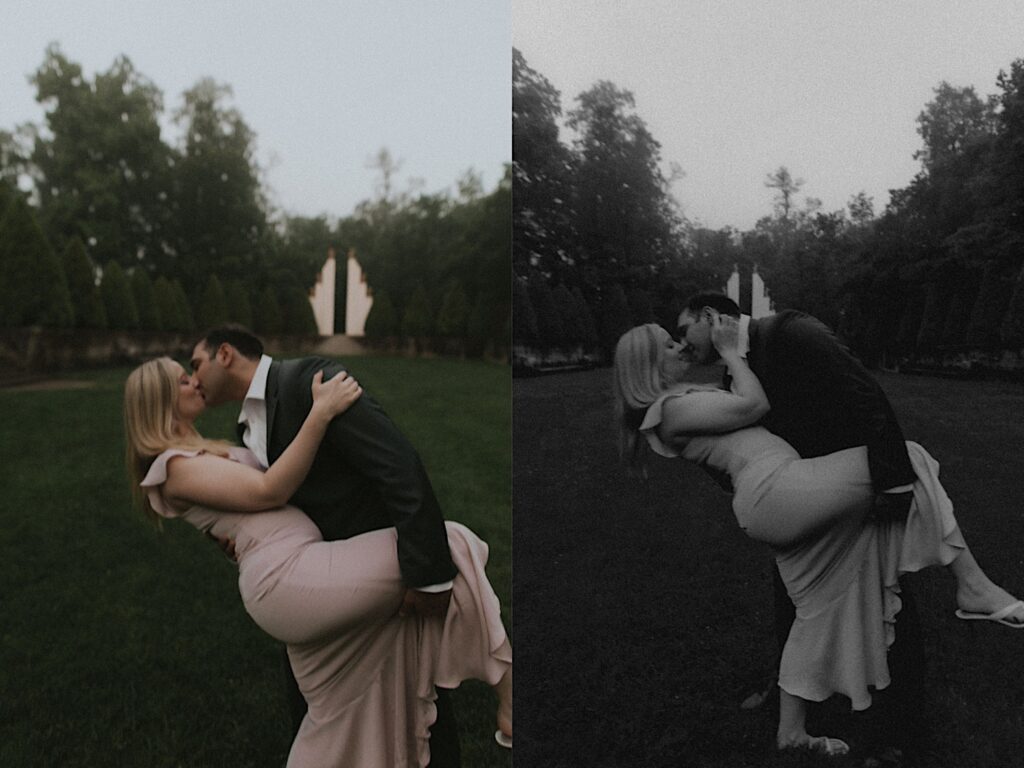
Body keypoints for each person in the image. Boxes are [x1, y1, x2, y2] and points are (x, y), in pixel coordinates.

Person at [612, 319, 1023, 758]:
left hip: (778, 496)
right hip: (779, 490)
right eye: (668, 345)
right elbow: (754, 405)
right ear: (649, 363)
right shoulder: (669, 410)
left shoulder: (673, 405)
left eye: (677, 340)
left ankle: (792, 732)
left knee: (816, 607)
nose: (680, 348)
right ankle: (973, 585)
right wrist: (731, 352)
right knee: (906, 459)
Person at [124, 356, 513, 767]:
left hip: (301, 566)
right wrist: (321, 413)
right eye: (183, 381)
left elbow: (248, 507)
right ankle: (509, 692)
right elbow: (269, 491)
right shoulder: (173, 467)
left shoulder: (197, 452)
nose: (193, 383)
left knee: (344, 710)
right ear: (160, 399)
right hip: (288, 577)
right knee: (447, 544)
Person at [188, 326, 464, 765]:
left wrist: (427, 575)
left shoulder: (309, 382)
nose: (193, 378)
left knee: (413, 716)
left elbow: (397, 464)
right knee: (330, 727)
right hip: (313, 594)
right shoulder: (244, 431)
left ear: (224, 354)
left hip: (376, 582)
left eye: (195, 364)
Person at [678, 293, 925, 760]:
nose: (683, 343)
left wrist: (892, 484)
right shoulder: (733, 370)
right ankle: (791, 690)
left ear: (711, 318)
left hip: (855, 493)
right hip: (804, 499)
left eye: (685, 329)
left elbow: (865, 394)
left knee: (885, 600)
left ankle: (897, 731)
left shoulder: (791, 333)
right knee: (790, 601)